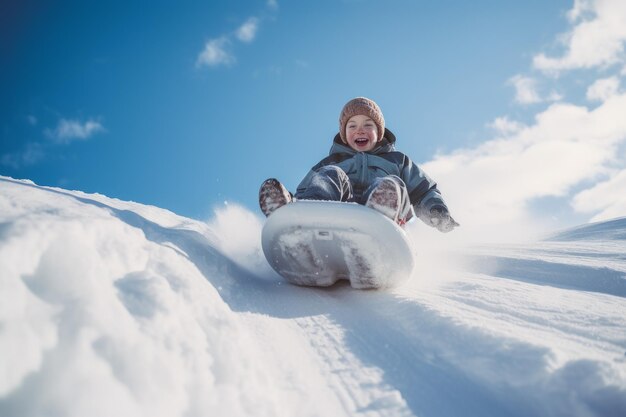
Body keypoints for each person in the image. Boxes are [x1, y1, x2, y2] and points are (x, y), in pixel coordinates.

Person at [259, 97, 459, 233]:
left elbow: (424, 190)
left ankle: (383, 207)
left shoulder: (398, 160)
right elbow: (307, 188)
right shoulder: (332, 162)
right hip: (339, 217)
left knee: (391, 183)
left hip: (388, 224)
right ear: (345, 135)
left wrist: (437, 211)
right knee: (330, 175)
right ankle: (303, 214)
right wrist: (295, 203)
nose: (360, 130)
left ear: (379, 132)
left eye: (368, 125)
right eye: (352, 126)